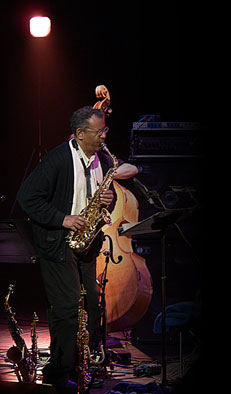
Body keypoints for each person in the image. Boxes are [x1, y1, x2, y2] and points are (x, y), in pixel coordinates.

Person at [17, 106, 125, 393]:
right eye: (99, 132)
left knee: (90, 306)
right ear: (79, 134)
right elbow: (27, 197)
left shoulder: (102, 159)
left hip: (85, 243)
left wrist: (108, 199)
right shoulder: (57, 159)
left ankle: (75, 365)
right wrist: (62, 218)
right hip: (57, 242)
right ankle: (61, 373)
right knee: (66, 308)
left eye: (105, 131)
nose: (104, 137)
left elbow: (102, 203)